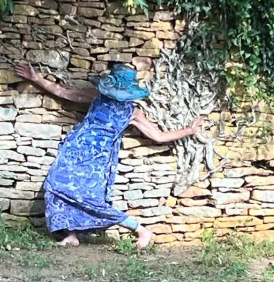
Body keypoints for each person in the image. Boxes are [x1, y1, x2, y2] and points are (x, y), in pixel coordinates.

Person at [15, 63, 203, 248]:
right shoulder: (97, 96)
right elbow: (65, 93)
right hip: (74, 150)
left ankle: (140, 229)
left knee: (89, 199)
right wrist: (36, 78)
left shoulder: (133, 112)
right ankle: (71, 235)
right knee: (54, 186)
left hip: (97, 159)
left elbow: (159, 136)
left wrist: (189, 130)